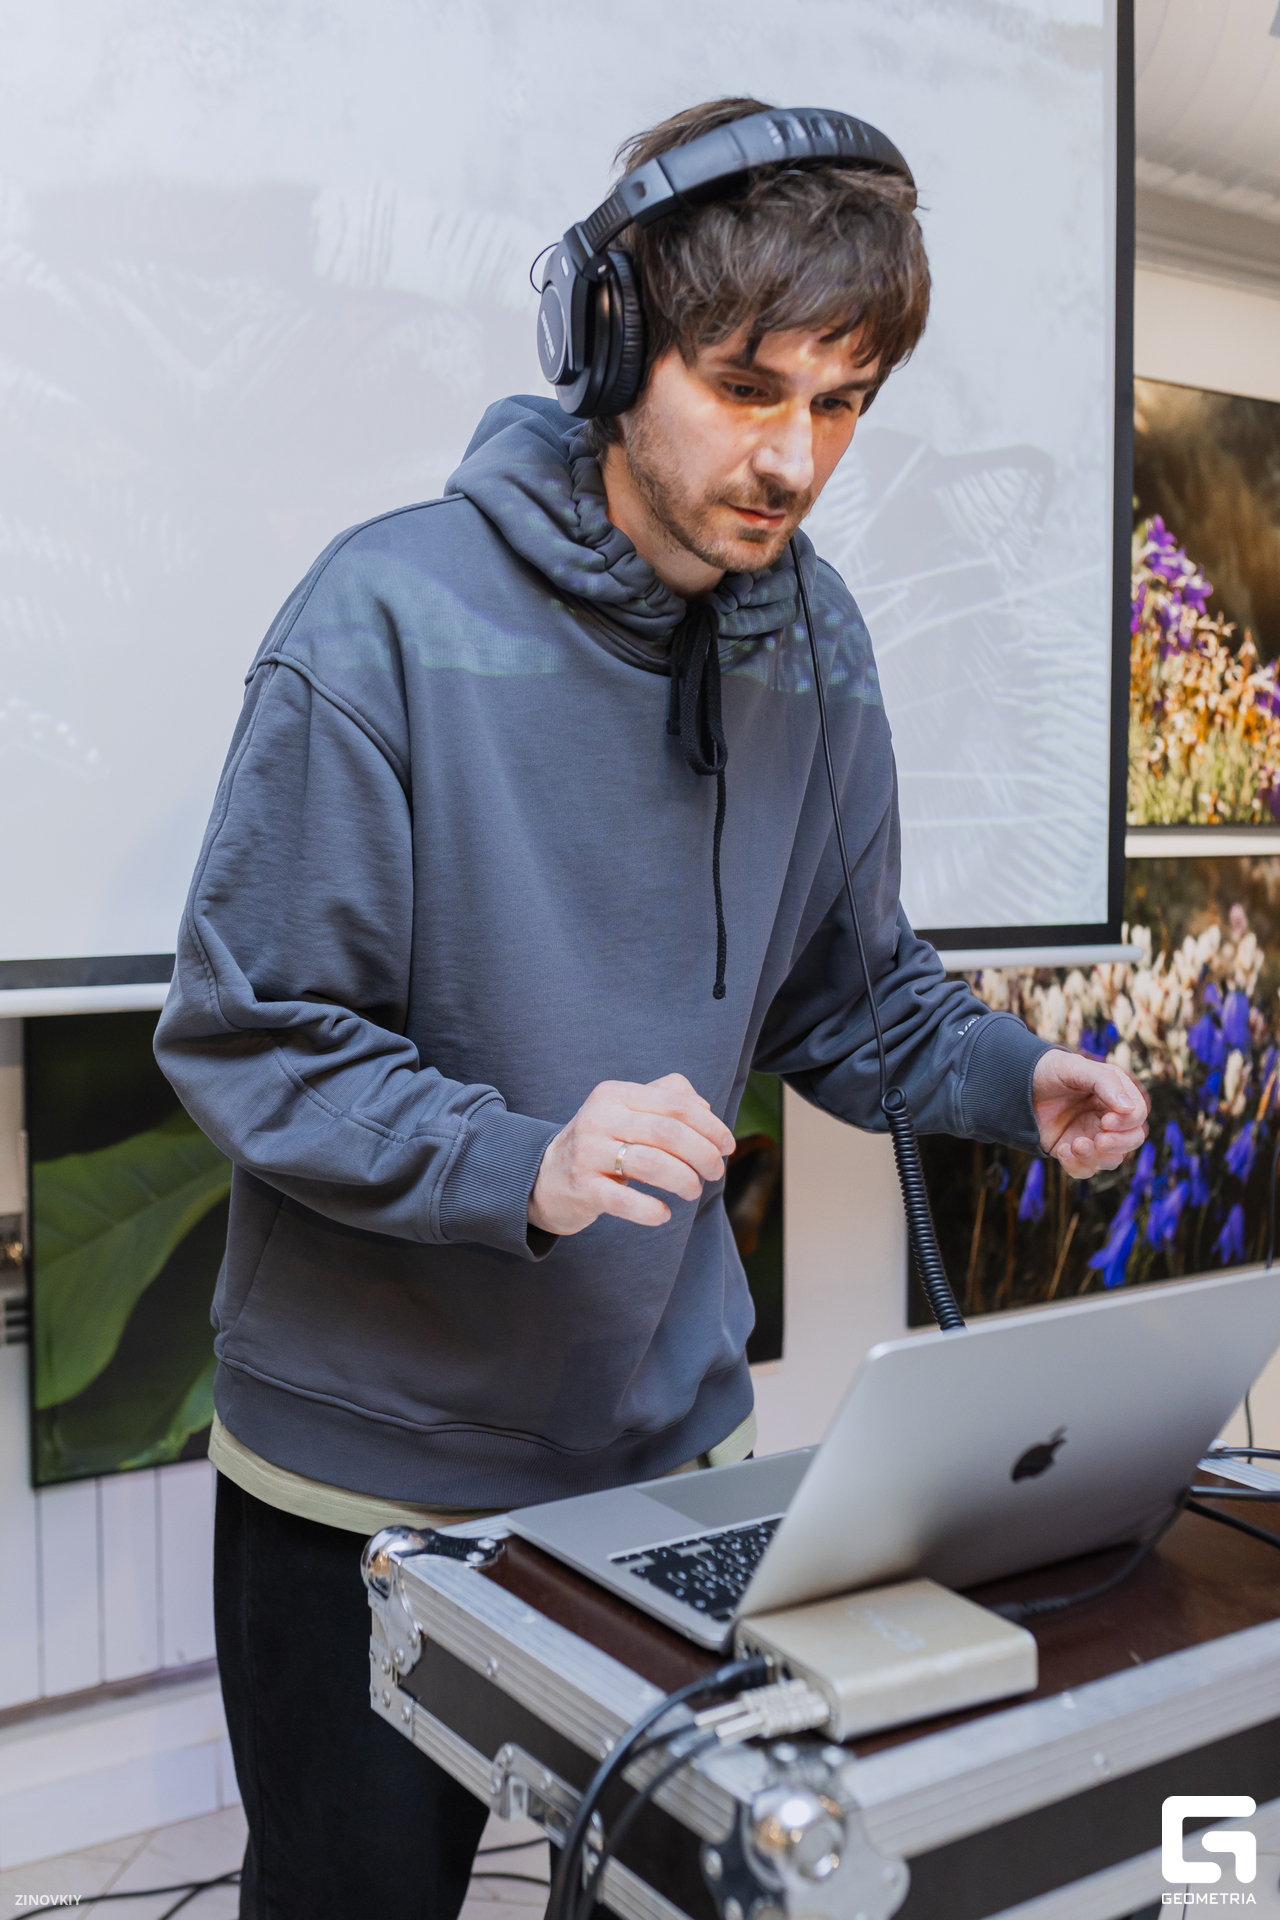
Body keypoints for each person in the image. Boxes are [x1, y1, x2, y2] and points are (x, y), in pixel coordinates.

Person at [155, 95, 1148, 1920]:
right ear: (614, 351)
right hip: (366, 1488)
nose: (793, 457)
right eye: (747, 387)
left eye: (842, 403)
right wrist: (523, 1164)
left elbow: (854, 999)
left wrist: (1018, 1080)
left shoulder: (818, 645)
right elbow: (254, 1031)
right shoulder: (378, 619)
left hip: (668, 1459)